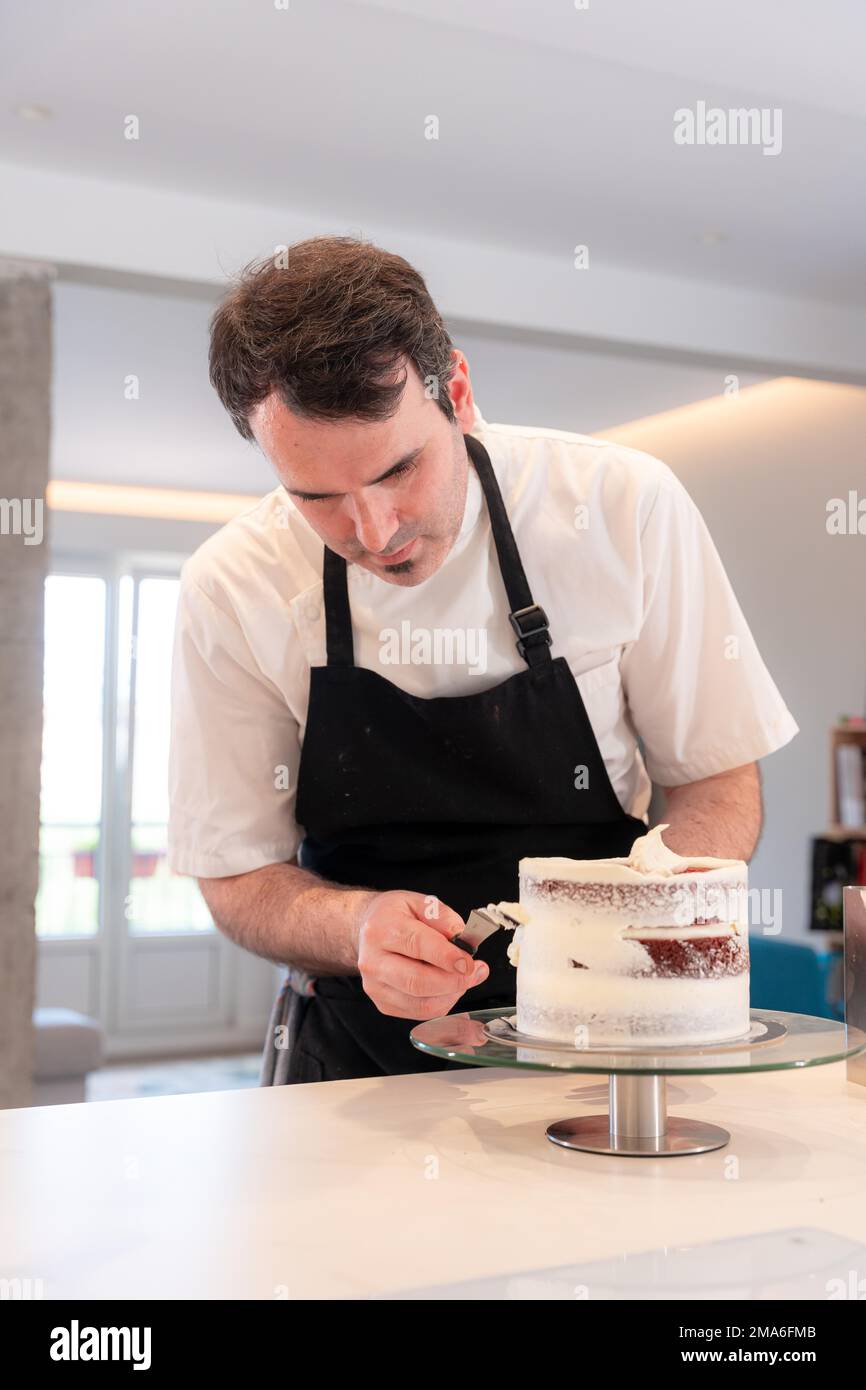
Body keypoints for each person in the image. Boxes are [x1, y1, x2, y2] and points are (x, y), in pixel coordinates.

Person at [167, 235, 798, 1083]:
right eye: (317, 498)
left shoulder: (621, 508)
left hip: (609, 1036)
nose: (376, 530)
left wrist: (645, 906)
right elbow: (238, 875)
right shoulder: (232, 585)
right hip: (357, 1056)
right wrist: (355, 927)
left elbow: (717, 781)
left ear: (457, 393)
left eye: (400, 469)